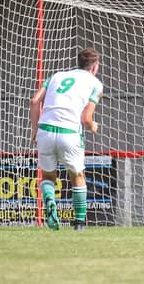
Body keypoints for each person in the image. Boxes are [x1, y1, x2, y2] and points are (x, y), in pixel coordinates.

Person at [30, 48, 103, 231]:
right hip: (69, 132)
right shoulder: (95, 83)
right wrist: (92, 125)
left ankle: (50, 201)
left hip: (45, 130)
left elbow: (34, 101)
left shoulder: (56, 76)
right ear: (94, 67)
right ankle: (79, 223)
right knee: (77, 175)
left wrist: (34, 130)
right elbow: (85, 119)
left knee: (48, 176)